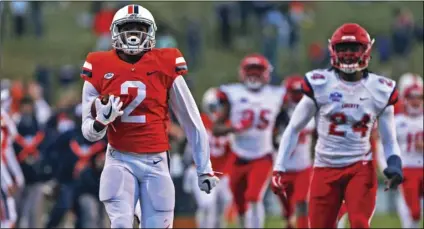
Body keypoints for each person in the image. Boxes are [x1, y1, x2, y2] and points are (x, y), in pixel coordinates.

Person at [80, 4, 219, 228]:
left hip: (156, 160)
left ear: (151, 32)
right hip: (119, 158)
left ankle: (138, 210)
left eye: (139, 28)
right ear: (115, 31)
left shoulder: (165, 63)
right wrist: (100, 122)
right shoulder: (99, 65)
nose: (134, 34)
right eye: (128, 27)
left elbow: (191, 120)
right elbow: (88, 132)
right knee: (121, 225)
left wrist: (204, 167)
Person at [272, 23, 404, 228]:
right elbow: (294, 128)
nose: (349, 54)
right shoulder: (320, 83)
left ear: (367, 50)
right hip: (325, 167)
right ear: (333, 50)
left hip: (360, 167)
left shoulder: (381, 89)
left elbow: (389, 139)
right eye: (343, 49)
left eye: (355, 48)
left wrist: (394, 164)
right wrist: (279, 166)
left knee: (359, 223)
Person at [213, 54, 286, 228]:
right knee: (239, 203)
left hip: (263, 155)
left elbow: (285, 120)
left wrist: (279, 136)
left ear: (266, 73)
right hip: (238, 155)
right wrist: (235, 128)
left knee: (254, 196)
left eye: (258, 71)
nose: (254, 75)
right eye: (250, 70)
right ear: (242, 72)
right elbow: (217, 128)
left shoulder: (277, 95)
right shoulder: (232, 93)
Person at [183, 87, 233, 228]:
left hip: (223, 173)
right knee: (206, 205)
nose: (219, 110)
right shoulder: (200, 121)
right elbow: (189, 147)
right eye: (216, 106)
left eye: (222, 106)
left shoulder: (228, 125)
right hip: (202, 172)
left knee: (222, 209)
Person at [273, 75, 315, 229]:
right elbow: (273, 138)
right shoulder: (280, 114)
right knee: (287, 208)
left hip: (303, 166)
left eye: (299, 92)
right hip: (284, 166)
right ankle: (288, 221)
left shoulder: (311, 110)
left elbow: (316, 135)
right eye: (294, 92)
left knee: (302, 201)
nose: (297, 96)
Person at [394, 80, 423, 228]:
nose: (416, 100)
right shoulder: (397, 121)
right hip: (407, 168)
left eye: (419, 97)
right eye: (412, 96)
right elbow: (387, 145)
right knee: (414, 212)